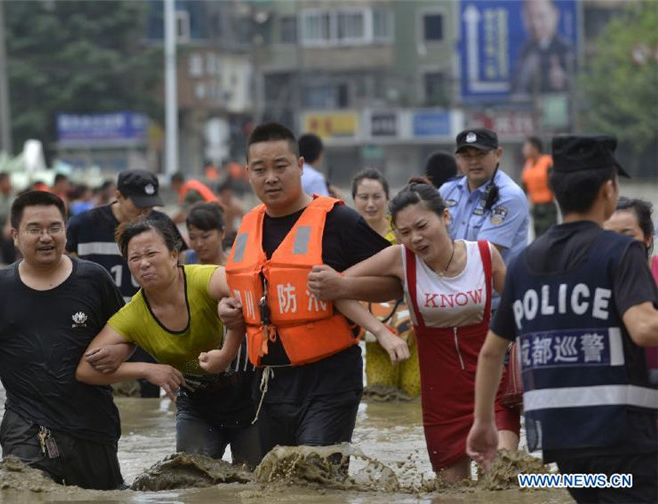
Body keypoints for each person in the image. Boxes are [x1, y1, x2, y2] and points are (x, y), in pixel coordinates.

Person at [467, 135, 657, 503]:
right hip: (623, 439)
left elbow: (492, 353)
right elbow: (645, 326)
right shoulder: (622, 251)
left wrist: (483, 423)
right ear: (609, 189)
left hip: (561, 443)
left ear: (553, 191)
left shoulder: (523, 263)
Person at [213, 122, 407, 458]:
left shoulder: (339, 221)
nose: (270, 177)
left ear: (301, 166)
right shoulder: (247, 226)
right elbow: (247, 296)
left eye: (280, 166)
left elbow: (395, 282)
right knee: (279, 484)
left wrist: (343, 285)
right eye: (260, 169)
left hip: (330, 378)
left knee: (316, 477)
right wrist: (230, 310)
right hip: (270, 381)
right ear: (248, 173)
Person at [309, 179, 520, 481]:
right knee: (453, 495)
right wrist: (382, 332)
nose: (415, 238)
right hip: (441, 400)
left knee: (503, 481)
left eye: (422, 226)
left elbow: (522, 312)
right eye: (405, 232)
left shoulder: (486, 255)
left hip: (492, 390)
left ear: (445, 217)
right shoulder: (399, 257)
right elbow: (336, 288)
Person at [0, 191, 126, 490]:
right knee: (24, 494)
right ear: (15, 236)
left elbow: (129, 330)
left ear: (65, 231)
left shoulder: (94, 279)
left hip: (92, 424)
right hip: (25, 425)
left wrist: (120, 351)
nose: (46, 237)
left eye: (54, 228)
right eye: (34, 229)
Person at [75, 220, 268, 467]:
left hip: (251, 399)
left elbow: (245, 289)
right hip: (198, 407)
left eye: (151, 254)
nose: (144, 263)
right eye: (135, 258)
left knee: (258, 481)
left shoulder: (202, 279)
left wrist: (226, 351)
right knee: (191, 480)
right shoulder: (133, 315)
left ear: (174, 254)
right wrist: (147, 370)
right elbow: (84, 369)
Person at [66, 169, 186, 398]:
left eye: (150, 205)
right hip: (99, 330)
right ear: (119, 196)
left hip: (148, 328)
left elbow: (180, 275)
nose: (145, 211)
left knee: (147, 401)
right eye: (138, 204)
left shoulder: (162, 225)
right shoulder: (84, 224)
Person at [351, 168, 420, 399]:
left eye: (377, 197)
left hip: (414, 327)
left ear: (387, 198)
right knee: (380, 395)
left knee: (414, 393)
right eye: (364, 197)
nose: (370, 204)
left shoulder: (403, 231)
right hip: (374, 331)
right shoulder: (347, 234)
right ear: (354, 200)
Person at [440, 128, 530, 268]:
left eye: (481, 154)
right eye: (466, 156)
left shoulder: (509, 196)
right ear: (457, 159)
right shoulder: (447, 190)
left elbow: (483, 255)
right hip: (451, 286)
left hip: (495, 288)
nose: (474, 161)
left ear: (498, 154)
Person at [604, 197, 658, 384]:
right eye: (610, 235)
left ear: (648, 238)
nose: (619, 244)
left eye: (627, 235)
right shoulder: (595, 276)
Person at [511, 0, 574, 97]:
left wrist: (563, 81)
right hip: (526, 109)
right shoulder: (525, 50)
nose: (536, 24)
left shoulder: (566, 51)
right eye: (530, 17)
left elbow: (580, 86)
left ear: (555, 15)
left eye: (541, 16)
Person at [520, 136, 557, 237]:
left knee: (549, 235)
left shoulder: (548, 163)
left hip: (548, 206)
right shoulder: (528, 164)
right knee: (538, 236)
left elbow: (554, 183)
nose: (524, 150)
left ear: (535, 148)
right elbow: (524, 186)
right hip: (535, 207)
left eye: (526, 147)